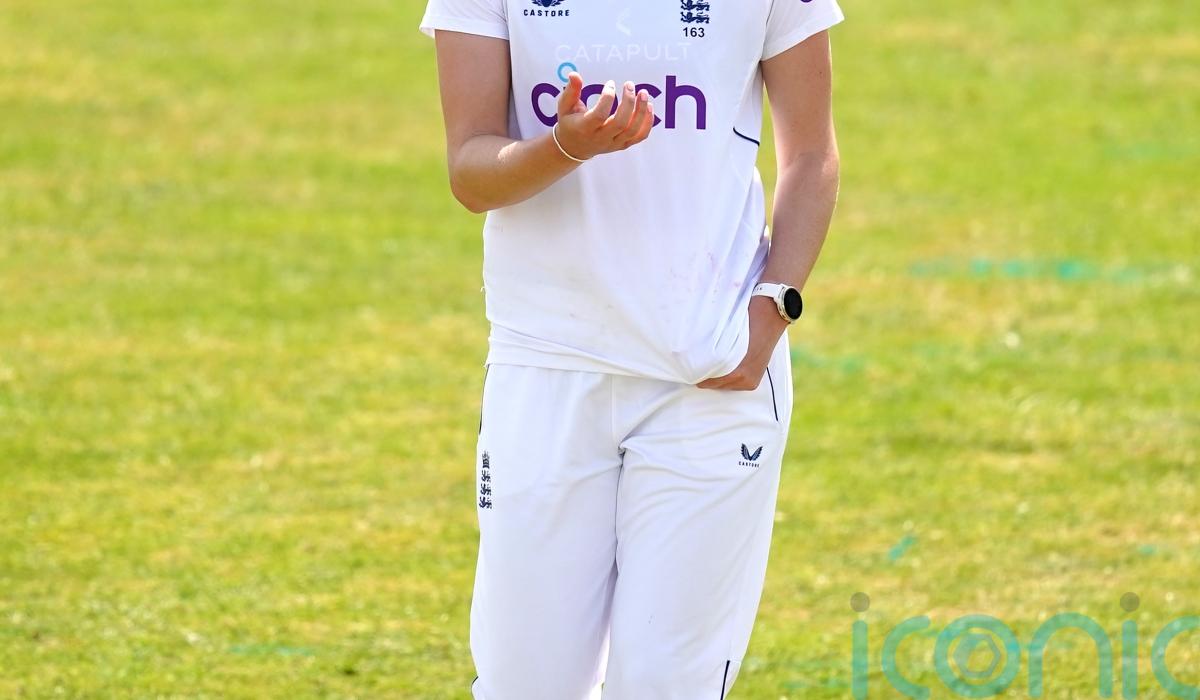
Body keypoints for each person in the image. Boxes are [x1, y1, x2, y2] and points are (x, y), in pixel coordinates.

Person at [420, 0, 843, 696]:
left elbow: (811, 153)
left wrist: (773, 307)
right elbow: (470, 170)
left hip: (710, 375)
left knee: (665, 685)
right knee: (525, 686)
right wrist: (565, 147)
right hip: (547, 362)